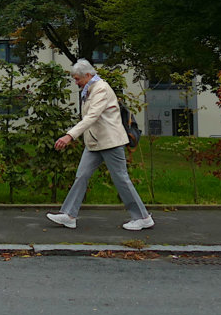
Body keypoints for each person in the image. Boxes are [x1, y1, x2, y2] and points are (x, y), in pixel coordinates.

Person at [46, 59, 154, 231]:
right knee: (81, 176)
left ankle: (143, 218)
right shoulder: (89, 89)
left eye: (77, 79)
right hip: (95, 142)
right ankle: (69, 215)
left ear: (88, 75)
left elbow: (92, 116)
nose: (76, 82)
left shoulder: (101, 89)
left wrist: (69, 136)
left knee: (121, 179)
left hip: (110, 142)